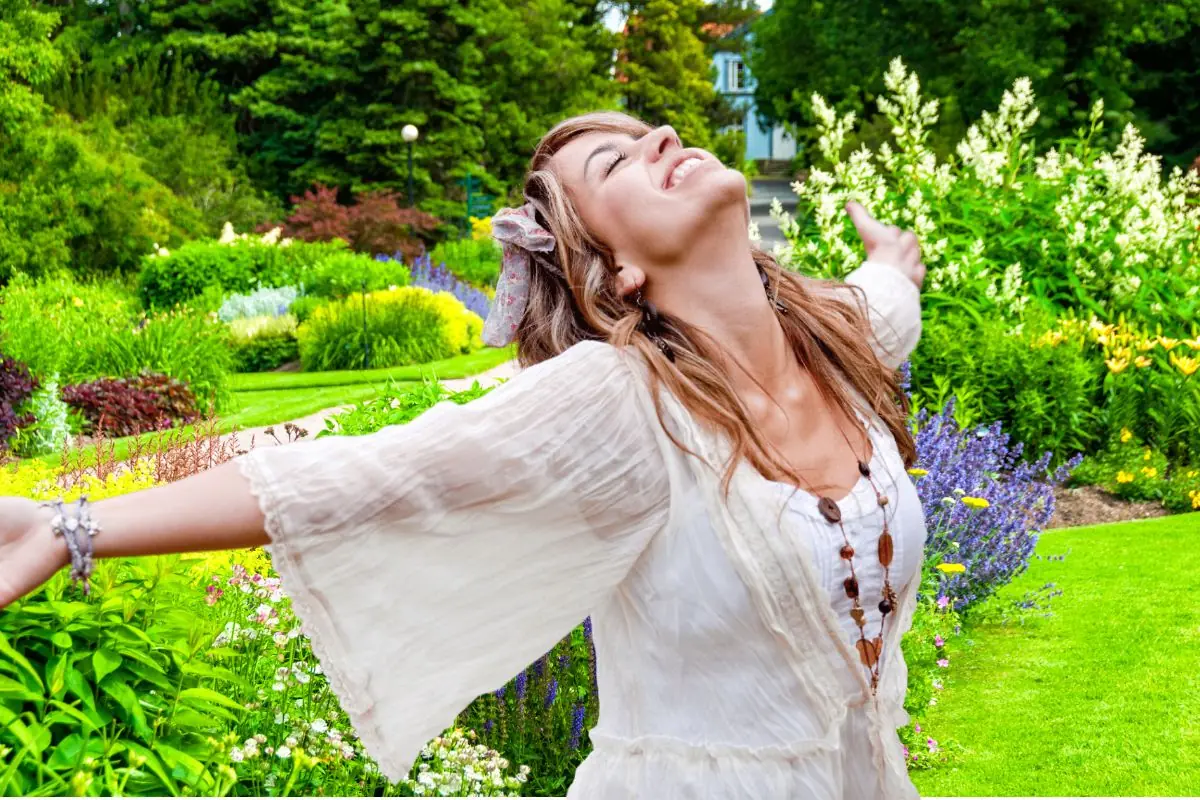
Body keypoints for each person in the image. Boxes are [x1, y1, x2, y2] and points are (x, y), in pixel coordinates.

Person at [0, 111, 928, 799]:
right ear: (615, 271)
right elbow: (372, 472)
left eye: (651, 132)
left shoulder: (839, 339)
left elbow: (888, 296)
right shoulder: (623, 408)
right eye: (619, 160)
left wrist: (894, 257)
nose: (664, 138)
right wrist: (69, 524)